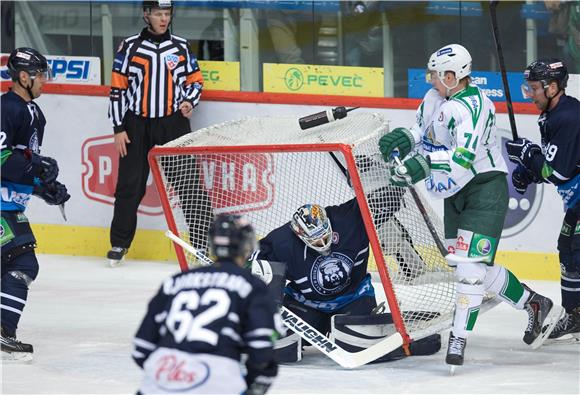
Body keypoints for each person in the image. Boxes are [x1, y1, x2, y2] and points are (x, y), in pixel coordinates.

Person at [378, 44, 560, 369]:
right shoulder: (435, 98)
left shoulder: (478, 106)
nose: (430, 78)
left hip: (484, 188)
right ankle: (533, 303)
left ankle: (458, 338)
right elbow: (423, 131)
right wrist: (405, 138)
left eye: (435, 74)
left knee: (469, 268)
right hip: (455, 190)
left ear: (452, 76)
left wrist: (421, 163)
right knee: (467, 265)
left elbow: (461, 158)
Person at [251, 197, 441, 363]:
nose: (323, 244)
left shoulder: (348, 219)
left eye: (325, 236)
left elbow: (380, 200)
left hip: (353, 297)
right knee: (278, 346)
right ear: (300, 235)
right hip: (307, 304)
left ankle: (402, 340)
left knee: (359, 344)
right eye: (316, 242)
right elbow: (251, 267)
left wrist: (393, 181)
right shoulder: (282, 241)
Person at [107, 0, 211, 267]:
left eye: (167, 13)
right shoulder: (129, 46)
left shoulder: (181, 46)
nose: (163, 18)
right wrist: (118, 127)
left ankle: (200, 245)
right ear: (146, 15)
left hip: (172, 123)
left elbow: (195, 80)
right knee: (130, 184)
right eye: (158, 13)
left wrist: (189, 101)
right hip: (135, 125)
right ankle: (119, 243)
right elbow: (118, 89)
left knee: (189, 184)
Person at [132, 214, 279, 394]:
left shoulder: (175, 282)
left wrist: (168, 376)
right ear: (247, 246)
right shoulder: (252, 285)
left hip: (158, 382)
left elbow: (141, 348)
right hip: (217, 382)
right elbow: (262, 350)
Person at [1, 47, 70, 361]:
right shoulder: (6, 108)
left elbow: (24, 162)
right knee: (23, 263)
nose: (45, 80)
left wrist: (46, 187)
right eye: (40, 74)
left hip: (10, 205)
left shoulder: (35, 113)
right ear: (24, 77)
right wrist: (38, 167)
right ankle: (4, 333)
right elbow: (3, 159)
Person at [505, 58, 580, 341]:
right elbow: (558, 164)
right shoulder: (551, 115)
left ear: (551, 88)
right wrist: (529, 172)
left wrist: (527, 155)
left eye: (534, 88)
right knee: (568, 249)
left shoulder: (569, 117)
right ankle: (575, 316)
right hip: (577, 201)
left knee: (577, 249)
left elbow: (558, 172)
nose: (529, 93)